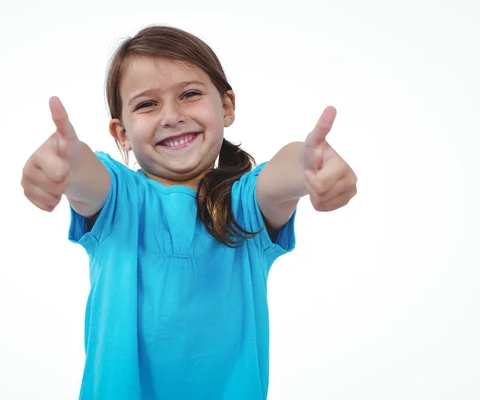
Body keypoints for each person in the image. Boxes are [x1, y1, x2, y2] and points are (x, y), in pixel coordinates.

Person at [21, 25, 357, 400]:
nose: (172, 115)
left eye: (190, 94)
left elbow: (283, 173)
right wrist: (64, 165)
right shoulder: (118, 198)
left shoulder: (244, 205)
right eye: (147, 104)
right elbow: (85, 173)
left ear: (226, 106)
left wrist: (309, 165)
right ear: (122, 134)